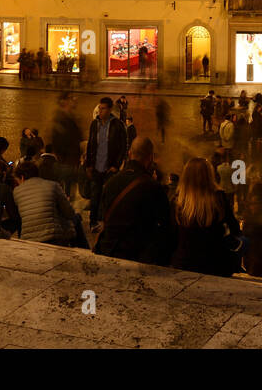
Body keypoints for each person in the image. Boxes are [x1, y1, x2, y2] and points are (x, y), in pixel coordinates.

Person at [94, 137, 174, 265]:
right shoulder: (153, 187)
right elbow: (166, 226)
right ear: (150, 157)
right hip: (137, 256)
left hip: (109, 250)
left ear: (130, 154)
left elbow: (103, 217)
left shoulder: (111, 183)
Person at [170, 157, 242, 276]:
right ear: (210, 176)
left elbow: (172, 233)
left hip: (184, 262)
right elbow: (234, 228)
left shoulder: (178, 201)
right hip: (214, 263)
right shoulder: (218, 198)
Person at [14, 160, 83, 247]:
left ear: (22, 177)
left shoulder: (16, 192)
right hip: (53, 236)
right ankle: (85, 249)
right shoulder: (53, 185)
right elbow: (69, 213)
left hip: (28, 238)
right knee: (76, 218)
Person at [84, 97, 128, 226]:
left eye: (103, 109)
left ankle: (108, 222)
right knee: (95, 195)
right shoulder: (94, 124)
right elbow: (90, 144)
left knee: (109, 196)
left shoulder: (117, 125)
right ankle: (93, 222)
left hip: (110, 167)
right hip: (96, 165)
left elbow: (123, 146)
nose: (100, 111)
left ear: (109, 109)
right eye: (99, 108)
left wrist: (116, 165)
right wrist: (89, 164)